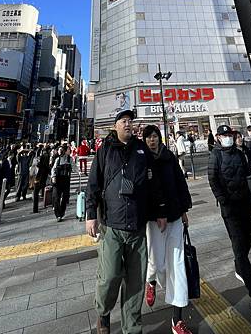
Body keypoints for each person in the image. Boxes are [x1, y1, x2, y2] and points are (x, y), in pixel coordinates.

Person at [86, 109, 166, 334]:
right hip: (112, 225)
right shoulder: (105, 150)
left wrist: (160, 210)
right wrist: (91, 214)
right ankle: (103, 312)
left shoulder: (142, 149)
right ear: (115, 126)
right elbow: (93, 183)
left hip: (137, 226)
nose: (128, 124)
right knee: (110, 276)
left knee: (135, 282)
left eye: (130, 121)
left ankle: (132, 327)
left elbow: (154, 183)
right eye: (124, 121)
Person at [208, 124, 251, 320]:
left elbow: (247, 176)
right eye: (224, 135)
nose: (227, 137)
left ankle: (238, 266)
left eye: (230, 134)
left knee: (246, 245)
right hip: (230, 211)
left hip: (245, 206)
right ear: (218, 137)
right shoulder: (215, 156)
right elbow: (213, 180)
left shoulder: (240, 153)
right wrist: (224, 200)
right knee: (240, 250)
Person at [143, 125, 192, 334]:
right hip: (153, 221)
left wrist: (184, 209)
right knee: (157, 263)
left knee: (177, 266)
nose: (152, 140)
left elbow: (180, 183)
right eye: (149, 137)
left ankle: (177, 319)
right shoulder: (142, 159)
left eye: (155, 137)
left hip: (174, 217)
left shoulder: (169, 157)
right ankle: (150, 280)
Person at [51, 144, 74, 221]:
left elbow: (74, 166)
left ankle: (62, 212)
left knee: (65, 197)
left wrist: (79, 172)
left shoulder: (69, 159)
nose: (69, 151)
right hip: (58, 179)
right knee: (56, 197)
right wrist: (53, 177)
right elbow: (53, 169)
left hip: (66, 179)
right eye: (68, 149)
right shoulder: (58, 159)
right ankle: (58, 214)